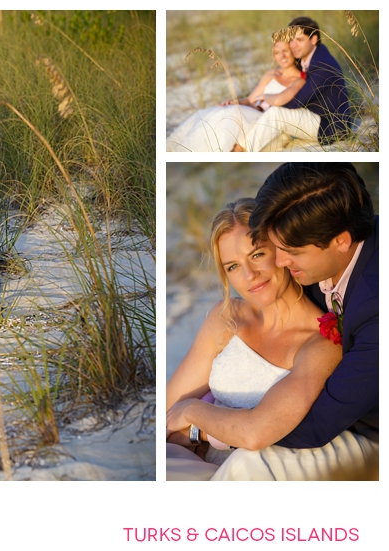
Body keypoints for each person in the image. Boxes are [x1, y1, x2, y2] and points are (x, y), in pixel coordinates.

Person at [166, 163, 378, 481]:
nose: (276, 263)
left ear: (341, 241)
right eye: (233, 266)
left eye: (258, 255)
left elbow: (308, 426)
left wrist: (200, 425)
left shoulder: (336, 331)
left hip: (355, 439)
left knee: (244, 468)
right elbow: (167, 414)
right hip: (205, 455)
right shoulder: (227, 317)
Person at [235, 17, 352, 152]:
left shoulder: (321, 65)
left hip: (330, 127)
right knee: (275, 136)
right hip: (315, 116)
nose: (294, 45)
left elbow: (297, 101)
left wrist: (269, 100)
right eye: (291, 40)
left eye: (299, 40)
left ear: (313, 40)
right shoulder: (316, 54)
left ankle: (240, 150)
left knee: (277, 114)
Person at [166, 39, 305, 152]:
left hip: (265, 118)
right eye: (277, 52)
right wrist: (235, 101)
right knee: (212, 112)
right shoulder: (271, 74)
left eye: (285, 51)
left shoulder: (300, 80)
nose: (282, 56)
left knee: (230, 116)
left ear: (293, 51)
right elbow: (251, 99)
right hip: (251, 110)